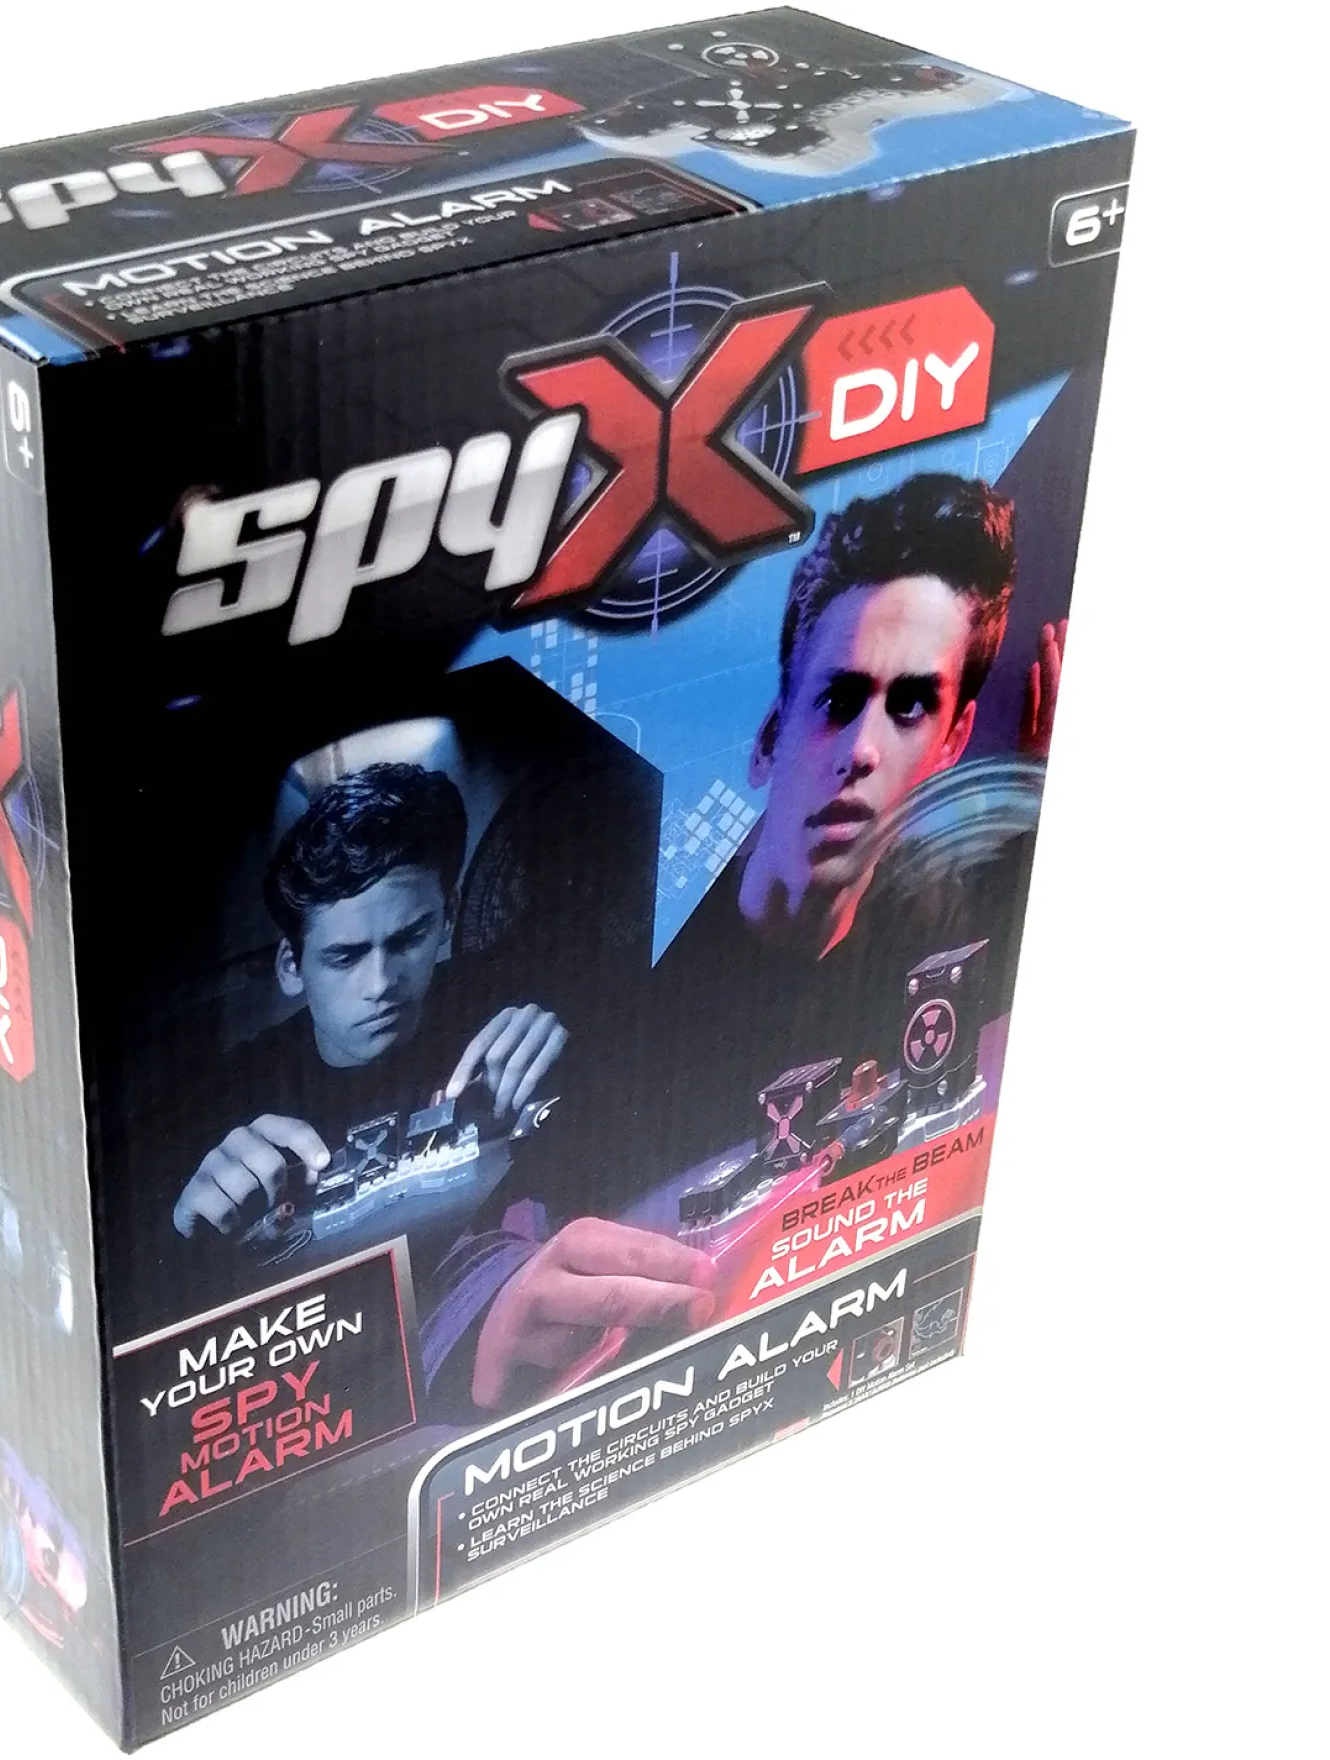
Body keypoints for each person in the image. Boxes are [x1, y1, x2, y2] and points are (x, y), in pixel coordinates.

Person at [461, 473, 1040, 1413]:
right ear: (770, 737)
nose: (862, 749)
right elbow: (478, 1235)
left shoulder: (942, 921)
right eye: (838, 700)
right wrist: (491, 1308)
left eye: (909, 707)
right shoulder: (621, 966)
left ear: (954, 738)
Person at [172, 762, 569, 1242]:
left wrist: (576, 1041)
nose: (381, 983)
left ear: (448, 916)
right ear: (291, 966)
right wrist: (182, 1226)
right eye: (345, 957)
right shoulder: (228, 1093)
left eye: (410, 938)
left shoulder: (517, 988)